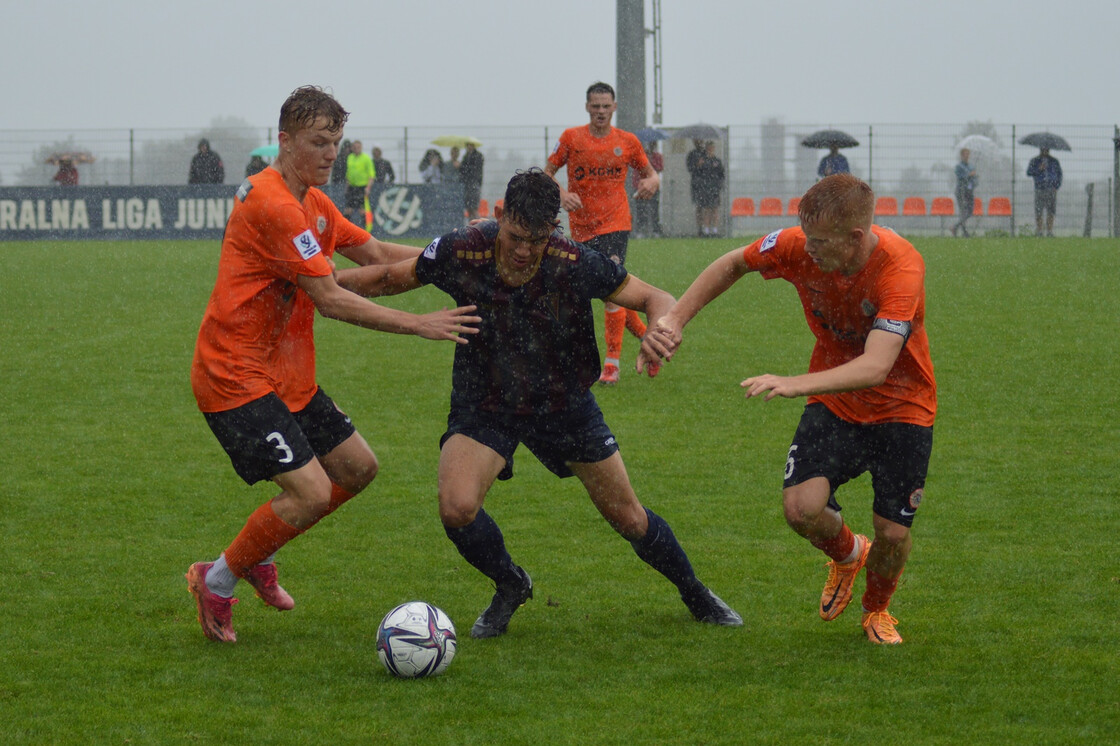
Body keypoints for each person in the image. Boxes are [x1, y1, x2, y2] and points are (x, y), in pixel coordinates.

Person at [344, 168, 741, 639]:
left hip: (563, 401)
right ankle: (510, 584)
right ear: (498, 216)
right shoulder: (462, 249)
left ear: (553, 229)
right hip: (486, 400)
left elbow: (655, 296)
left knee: (629, 517)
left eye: (536, 239)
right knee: (456, 507)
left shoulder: (574, 261)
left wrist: (663, 326)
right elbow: (389, 277)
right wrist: (315, 284)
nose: (523, 250)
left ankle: (695, 592)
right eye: (515, 236)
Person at [185, 85, 481, 644]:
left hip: (284, 375)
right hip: (235, 376)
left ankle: (255, 553)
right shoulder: (274, 205)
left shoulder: (313, 202)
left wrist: (461, 258)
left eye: (336, 143)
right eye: (319, 143)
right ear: (285, 140)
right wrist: (420, 323)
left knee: (356, 469)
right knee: (311, 494)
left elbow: (377, 255)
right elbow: (333, 298)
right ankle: (218, 579)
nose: (331, 154)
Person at [646, 174, 936, 645]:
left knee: (894, 533)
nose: (811, 250)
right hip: (836, 401)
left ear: (856, 238)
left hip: (903, 409)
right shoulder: (798, 244)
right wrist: (674, 320)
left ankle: (877, 610)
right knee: (801, 510)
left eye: (821, 242)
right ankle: (847, 555)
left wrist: (794, 383)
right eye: (809, 237)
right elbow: (734, 263)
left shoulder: (899, 268)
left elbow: (877, 365)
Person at [544, 81, 660, 385]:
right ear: (587, 107)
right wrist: (562, 194)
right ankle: (649, 340)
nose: (600, 112)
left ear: (614, 107)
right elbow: (546, 175)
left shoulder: (627, 141)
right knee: (603, 291)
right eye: (595, 106)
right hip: (582, 228)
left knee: (610, 289)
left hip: (616, 224)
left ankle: (611, 363)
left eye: (606, 106)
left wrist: (652, 182)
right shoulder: (571, 138)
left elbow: (650, 174)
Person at [687, 141, 725, 237]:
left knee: (715, 209)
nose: (711, 150)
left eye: (712, 148)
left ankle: (715, 230)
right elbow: (697, 173)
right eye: (709, 148)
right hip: (704, 188)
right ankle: (706, 230)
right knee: (706, 209)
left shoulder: (717, 161)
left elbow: (721, 174)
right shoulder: (702, 161)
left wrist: (719, 185)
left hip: (715, 189)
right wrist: (698, 166)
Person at [1026, 147, 1062, 237]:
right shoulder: (1035, 161)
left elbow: (1059, 174)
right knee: (1039, 210)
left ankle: (1049, 231)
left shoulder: (1054, 161)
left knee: (1051, 211)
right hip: (1039, 188)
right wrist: (1039, 169)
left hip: (1051, 189)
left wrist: (1056, 186)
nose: (1045, 151)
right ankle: (1039, 231)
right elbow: (1029, 172)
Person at [632, 139, 663, 238]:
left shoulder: (657, 156)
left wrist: (650, 163)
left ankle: (655, 230)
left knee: (654, 209)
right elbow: (636, 168)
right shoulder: (640, 156)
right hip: (640, 186)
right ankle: (641, 230)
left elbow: (660, 168)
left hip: (653, 187)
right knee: (641, 209)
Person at [345, 139, 375, 226]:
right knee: (348, 210)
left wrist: (368, 188)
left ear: (361, 148)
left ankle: (366, 231)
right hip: (352, 187)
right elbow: (348, 173)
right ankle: (346, 231)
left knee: (362, 210)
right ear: (352, 148)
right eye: (354, 147)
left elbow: (371, 175)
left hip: (362, 187)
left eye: (358, 147)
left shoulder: (366, 158)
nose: (356, 149)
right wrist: (347, 187)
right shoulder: (350, 157)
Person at [951, 148, 977, 238]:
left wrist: (974, 180)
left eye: (968, 154)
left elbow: (975, 179)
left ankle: (956, 227)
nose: (967, 156)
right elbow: (960, 177)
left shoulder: (971, 167)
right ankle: (964, 232)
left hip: (969, 191)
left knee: (969, 211)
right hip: (961, 191)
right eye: (965, 154)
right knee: (963, 211)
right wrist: (969, 175)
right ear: (962, 155)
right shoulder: (959, 167)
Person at [460, 142, 485, 221]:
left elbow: (474, 169)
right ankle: (472, 225)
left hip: (474, 184)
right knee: (469, 209)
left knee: (474, 208)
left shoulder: (478, 156)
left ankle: (479, 225)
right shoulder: (465, 156)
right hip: (467, 185)